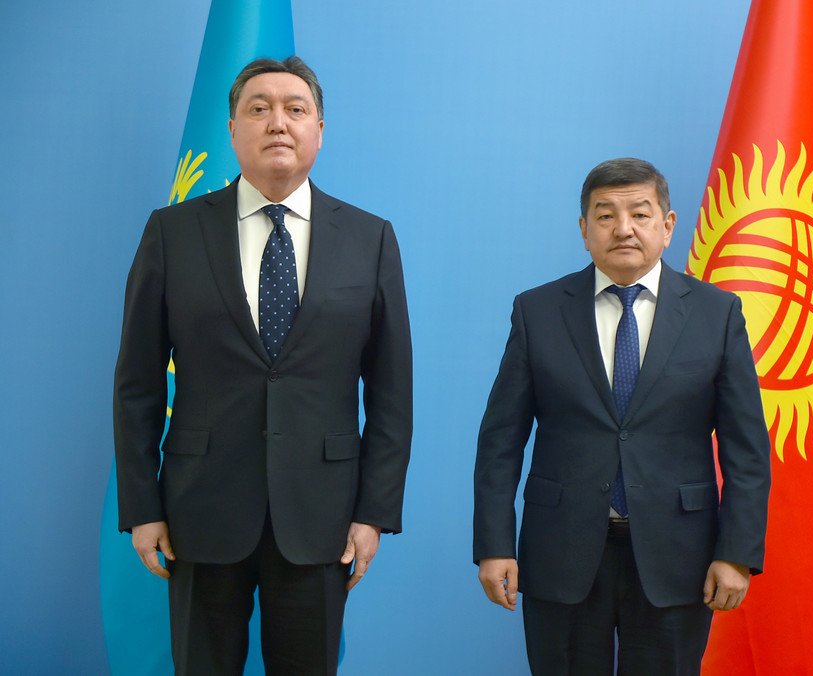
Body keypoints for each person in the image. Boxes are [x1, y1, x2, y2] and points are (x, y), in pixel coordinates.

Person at [113, 56, 412, 675]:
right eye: (259, 108)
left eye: (295, 109)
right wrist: (142, 505)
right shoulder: (172, 231)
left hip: (323, 517)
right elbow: (137, 384)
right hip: (198, 511)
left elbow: (391, 393)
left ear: (319, 131)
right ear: (232, 130)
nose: (278, 122)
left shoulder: (370, 237)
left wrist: (374, 513)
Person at [473, 158, 770, 675]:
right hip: (561, 549)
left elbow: (747, 451)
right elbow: (500, 441)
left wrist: (736, 552)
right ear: (584, 229)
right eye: (606, 215)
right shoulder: (538, 311)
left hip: (679, 556)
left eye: (640, 214)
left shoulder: (716, 313)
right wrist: (494, 545)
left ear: (667, 226)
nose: (624, 228)